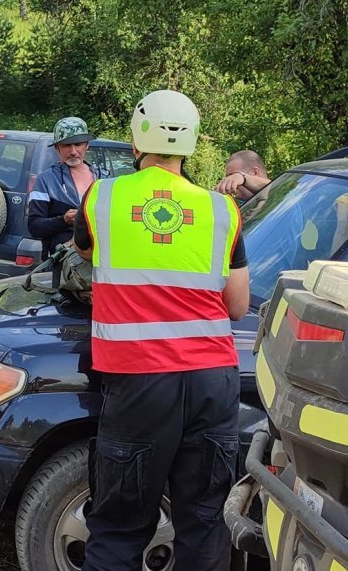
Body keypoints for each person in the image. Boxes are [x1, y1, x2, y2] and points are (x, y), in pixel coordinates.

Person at [73, 90, 250, 571]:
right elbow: (237, 306)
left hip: (139, 383)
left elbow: (88, 253)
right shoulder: (221, 210)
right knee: (204, 521)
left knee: (119, 526)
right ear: (190, 143)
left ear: (136, 139)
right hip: (214, 381)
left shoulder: (102, 196)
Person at [28, 116, 103, 257]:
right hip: (61, 265)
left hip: (100, 262)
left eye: (78, 144)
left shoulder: (104, 178)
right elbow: (34, 227)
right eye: (67, 145)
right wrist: (63, 220)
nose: (73, 151)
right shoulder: (46, 180)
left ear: (87, 145)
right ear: (57, 148)